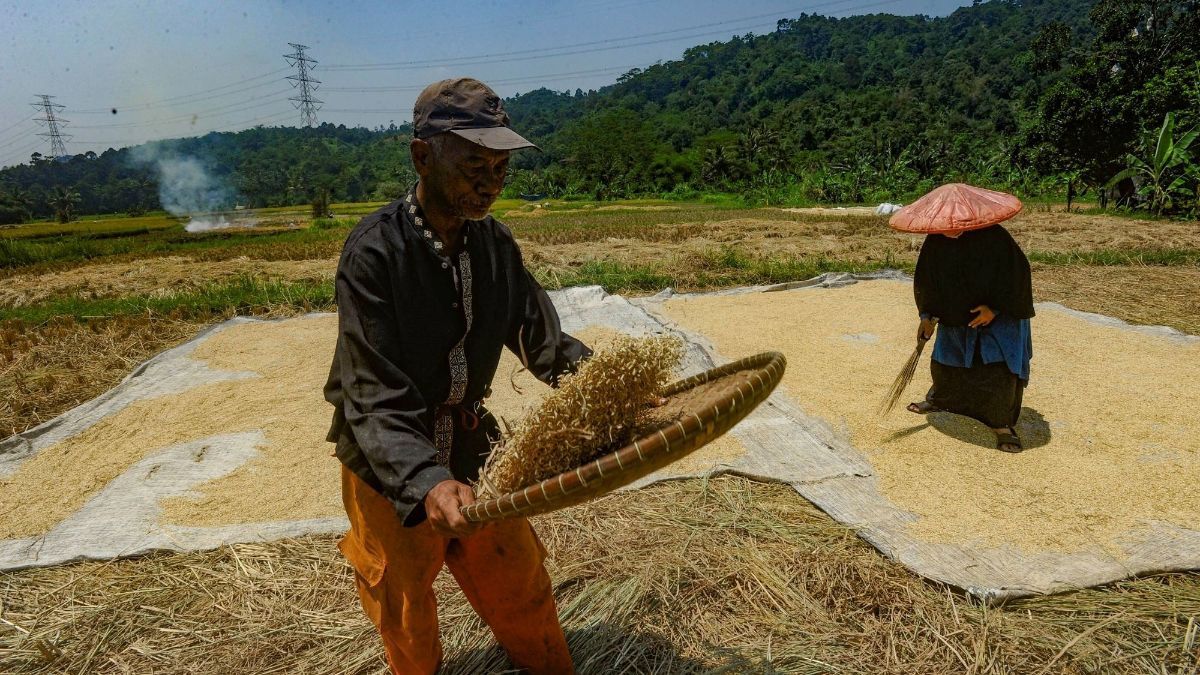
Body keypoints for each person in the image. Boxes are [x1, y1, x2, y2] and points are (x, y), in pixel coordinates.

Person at [324, 77, 590, 674]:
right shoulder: (374, 252)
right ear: (423, 155)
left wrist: (607, 389)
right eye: (474, 163)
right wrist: (426, 482)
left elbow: (541, 340)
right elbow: (369, 391)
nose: (490, 182)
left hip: (474, 444)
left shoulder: (494, 244)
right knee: (407, 609)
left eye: (500, 168)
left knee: (520, 584)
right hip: (388, 462)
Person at [889, 183, 1035, 453]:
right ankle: (941, 400)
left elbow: (1017, 279)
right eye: (943, 223)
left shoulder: (996, 239)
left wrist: (994, 309)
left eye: (955, 223)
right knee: (947, 363)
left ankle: (1000, 423)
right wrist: (927, 316)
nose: (949, 228)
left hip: (998, 319)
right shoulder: (935, 242)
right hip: (957, 318)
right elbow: (927, 281)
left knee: (995, 370)